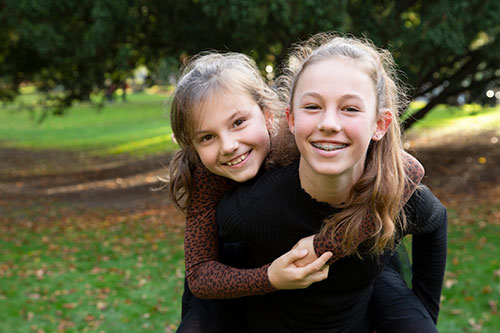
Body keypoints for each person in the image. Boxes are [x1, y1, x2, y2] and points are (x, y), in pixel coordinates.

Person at [166, 50, 427, 332]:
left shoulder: (298, 137)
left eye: (238, 122)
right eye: (207, 137)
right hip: (240, 267)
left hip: (346, 255)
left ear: (268, 116)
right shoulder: (206, 175)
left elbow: (410, 169)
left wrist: (327, 244)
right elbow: (199, 274)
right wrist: (268, 278)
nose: (228, 145)